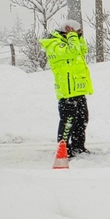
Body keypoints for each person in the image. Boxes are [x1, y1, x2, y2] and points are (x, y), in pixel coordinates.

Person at [40, 19, 93, 156]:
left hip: (78, 90)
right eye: (77, 32)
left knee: (81, 120)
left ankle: (78, 147)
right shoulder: (54, 45)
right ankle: (63, 149)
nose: (78, 34)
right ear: (67, 32)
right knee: (68, 122)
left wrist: (77, 37)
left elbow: (82, 50)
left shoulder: (69, 41)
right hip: (67, 91)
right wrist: (73, 36)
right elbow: (72, 52)